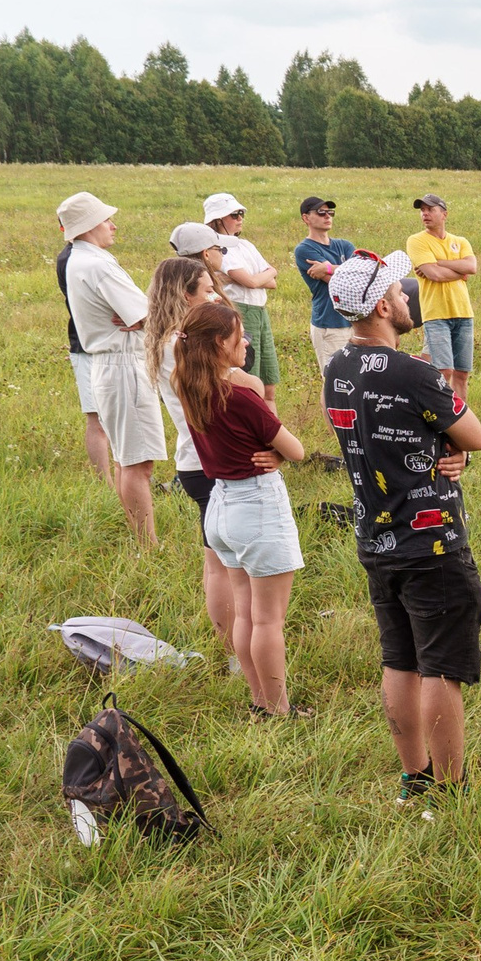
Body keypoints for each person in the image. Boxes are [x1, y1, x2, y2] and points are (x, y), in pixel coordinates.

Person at [321, 248, 481, 804]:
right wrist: (439, 416)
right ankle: (451, 787)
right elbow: (476, 436)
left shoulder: (337, 368)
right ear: (382, 306)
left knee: (400, 658)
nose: (406, 295)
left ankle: (414, 778)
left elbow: (380, 429)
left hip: (375, 534)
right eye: (397, 291)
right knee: (441, 666)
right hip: (431, 539)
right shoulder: (415, 373)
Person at [173, 301, 310, 717]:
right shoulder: (243, 398)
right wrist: (255, 393)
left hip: (221, 506)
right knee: (268, 620)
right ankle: (278, 708)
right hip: (257, 506)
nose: (246, 341)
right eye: (239, 336)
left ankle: (259, 700)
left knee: (246, 612)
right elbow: (297, 450)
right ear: (219, 344)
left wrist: (243, 379)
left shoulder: (189, 385)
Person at [143, 256, 240, 666]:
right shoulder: (183, 345)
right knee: (230, 568)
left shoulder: (165, 340)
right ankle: (237, 654)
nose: (215, 294)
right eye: (206, 289)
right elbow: (234, 390)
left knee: (215, 562)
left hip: (194, 461)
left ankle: (229, 649)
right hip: (213, 461)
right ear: (185, 295)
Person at [58, 192, 164, 547]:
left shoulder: (80, 259)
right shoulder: (99, 264)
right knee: (137, 463)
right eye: (106, 220)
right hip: (122, 365)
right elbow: (147, 316)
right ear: (89, 226)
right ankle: (147, 545)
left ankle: (142, 538)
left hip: (110, 364)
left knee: (126, 458)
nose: (113, 225)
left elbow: (139, 314)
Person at [204, 194, 280, 408]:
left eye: (241, 214)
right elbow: (251, 281)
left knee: (269, 382)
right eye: (234, 214)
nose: (240, 218)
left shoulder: (245, 245)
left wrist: (259, 276)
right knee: (250, 378)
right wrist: (256, 277)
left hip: (260, 310)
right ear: (217, 219)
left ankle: (272, 434)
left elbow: (271, 280)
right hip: (241, 310)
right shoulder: (216, 247)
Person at [405, 194, 478, 402]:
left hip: (463, 312)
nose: (425, 214)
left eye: (430, 209)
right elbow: (433, 274)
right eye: (422, 210)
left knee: (462, 374)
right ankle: (440, 419)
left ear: (444, 214)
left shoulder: (460, 241)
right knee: (443, 371)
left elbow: (471, 267)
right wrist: (458, 270)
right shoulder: (416, 240)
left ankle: (461, 418)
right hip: (436, 314)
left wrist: (439, 262)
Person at [56, 219, 110, 485]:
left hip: (98, 342)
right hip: (87, 344)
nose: (112, 227)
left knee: (107, 416)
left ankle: (116, 477)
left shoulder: (92, 256)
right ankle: (105, 482)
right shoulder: (73, 258)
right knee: (96, 417)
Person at [293, 195, 357, 396]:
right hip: (329, 323)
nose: (327, 216)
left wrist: (328, 267)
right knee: (335, 384)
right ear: (306, 218)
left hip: (354, 322)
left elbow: (361, 274)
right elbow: (340, 282)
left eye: (330, 212)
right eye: (321, 212)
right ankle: (335, 427)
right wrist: (346, 270)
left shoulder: (344, 245)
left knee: (358, 380)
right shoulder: (305, 249)